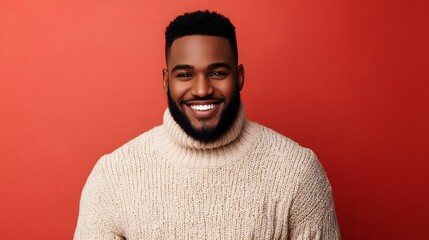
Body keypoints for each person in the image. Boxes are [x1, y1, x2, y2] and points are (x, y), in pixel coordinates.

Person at [74, 10, 340, 239]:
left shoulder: (297, 173)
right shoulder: (113, 177)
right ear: (167, 81)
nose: (201, 89)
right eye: (185, 74)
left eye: (217, 73)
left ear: (239, 77)